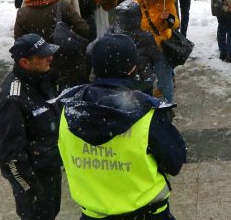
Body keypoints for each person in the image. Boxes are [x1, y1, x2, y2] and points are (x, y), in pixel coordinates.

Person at [56, 34, 186, 219]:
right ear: (133, 68)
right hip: (146, 213)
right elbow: (174, 161)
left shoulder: (67, 110)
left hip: (94, 213)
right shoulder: (147, 113)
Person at [0, 34, 62, 220]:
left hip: (50, 169)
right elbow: (9, 156)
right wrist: (31, 190)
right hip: (36, 179)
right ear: (25, 62)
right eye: (43, 55)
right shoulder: (12, 99)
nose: (50, 57)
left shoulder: (41, 78)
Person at [15, 0, 91, 90]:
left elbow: (19, 40)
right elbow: (84, 29)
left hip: (38, 63)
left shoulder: (22, 12)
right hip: (64, 60)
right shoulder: (62, 5)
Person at [133, 0, 179, 103]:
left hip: (161, 47)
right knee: (146, 79)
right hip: (144, 47)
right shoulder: (135, 3)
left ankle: (168, 104)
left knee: (164, 78)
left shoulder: (165, 1)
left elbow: (175, 24)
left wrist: (168, 17)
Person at [108, 0, 159, 93]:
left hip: (120, 80)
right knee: (147, 103)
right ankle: (150, 108)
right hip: (144, 78)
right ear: (138, 17)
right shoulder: (146, 36)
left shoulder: (111, 33)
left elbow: (91, 50)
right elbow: (156, 56)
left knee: (126, 104)